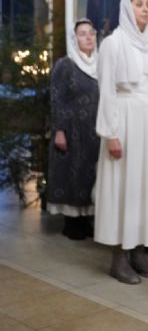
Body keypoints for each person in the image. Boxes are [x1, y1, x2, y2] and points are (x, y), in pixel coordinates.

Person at [94, 0, 148, 284]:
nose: (145, 9)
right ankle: (119, 258)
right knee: (124, 188)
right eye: (139, 4)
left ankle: (139, 254)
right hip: (125, 122)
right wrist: (110, 134)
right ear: (126, 9)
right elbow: (106, 90)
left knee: (146, 189)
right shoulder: (112, 44)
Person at [46, 20, 100, 240]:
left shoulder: (101, 65)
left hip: (94, 131)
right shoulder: (65, 65)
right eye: (82, 34)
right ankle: (71, 223)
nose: (88, 37)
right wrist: (59, 130)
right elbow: (56, 98)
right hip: (71, 129)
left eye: (91, 33)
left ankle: (85, 220)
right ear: (74, 39)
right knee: (72, 173)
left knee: (89, 174)